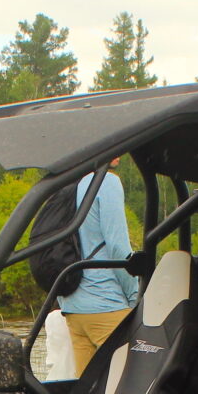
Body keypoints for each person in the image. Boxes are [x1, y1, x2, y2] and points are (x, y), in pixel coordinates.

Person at [60, 158, 139, 374]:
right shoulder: (106, 181)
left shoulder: (69, 184)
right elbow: (117, 247)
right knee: (130, 386)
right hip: (107, 305)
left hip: (72, 307)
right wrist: (135, 297)